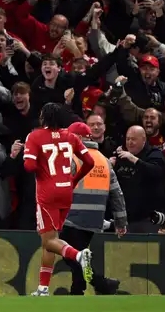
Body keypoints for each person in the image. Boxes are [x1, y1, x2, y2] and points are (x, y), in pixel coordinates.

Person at [23, 103, 96, 297]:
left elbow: (29, 166)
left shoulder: (35, 136)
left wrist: (35, 160)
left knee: (49, 241)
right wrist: (74, 180)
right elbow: (89, 162)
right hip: (66, 191)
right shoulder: (70, 136)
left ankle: (78, 255)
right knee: (51, 240)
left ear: (43, 117)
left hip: (47, 193)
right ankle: (43, 288)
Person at [62, 122, 127, 295]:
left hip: (73, 215)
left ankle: (102, 284)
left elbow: (60, 186)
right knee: (77, 254)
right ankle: (78, 289)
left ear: (78, 138)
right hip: (94, 218)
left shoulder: (72, 157)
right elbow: (117, 194)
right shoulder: (104, 160)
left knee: (68, 253)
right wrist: (121, 221)